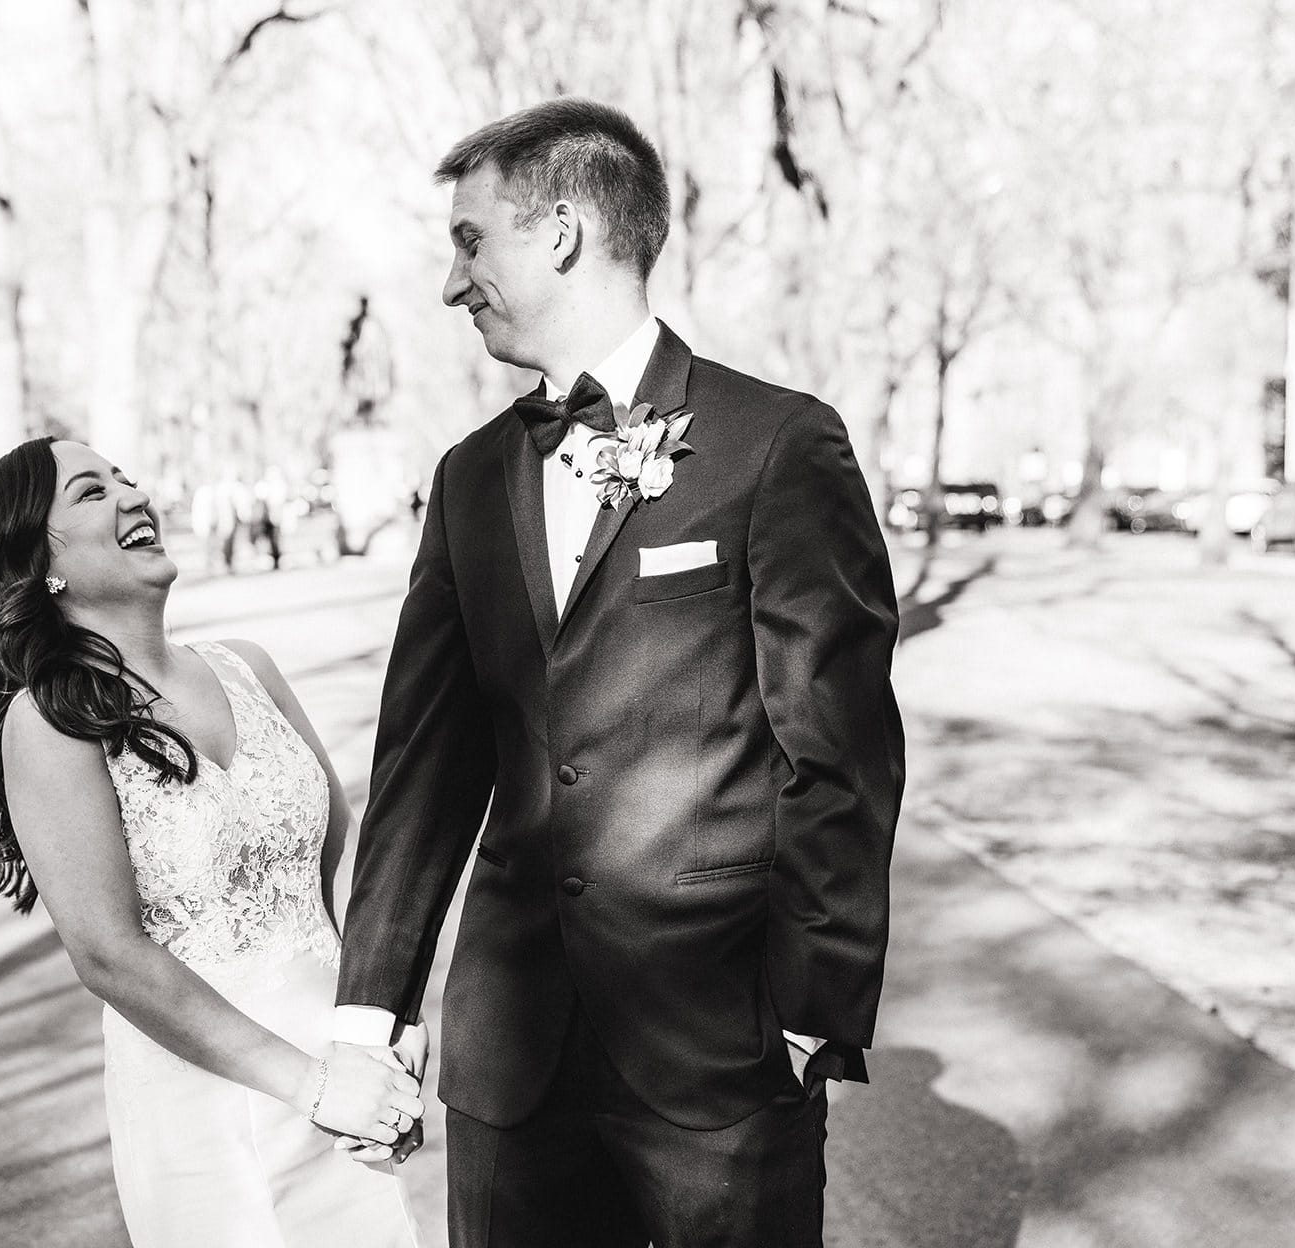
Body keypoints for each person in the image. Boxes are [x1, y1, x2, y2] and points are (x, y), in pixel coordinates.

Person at [329, 98, 905, 1246]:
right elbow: (425, 766)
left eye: (469, 240)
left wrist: (809, 1007)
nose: (454, 283)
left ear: (558, 234)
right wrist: (365, 1015)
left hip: (720, 1045)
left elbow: (835, 747)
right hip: (509, 1058)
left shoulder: (776, 445)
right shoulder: (468, 477)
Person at [0, 436, 427, 1247]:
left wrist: (383, 1018)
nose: (135, 496)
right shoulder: (49, 721)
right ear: (39, 564)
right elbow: (109, 954)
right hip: (211, 1106)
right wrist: (311, 1087)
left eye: (126, 478)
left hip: (345, 1070)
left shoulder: (249, 666)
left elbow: (341, 862)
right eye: (92, 493)